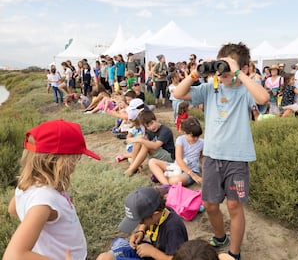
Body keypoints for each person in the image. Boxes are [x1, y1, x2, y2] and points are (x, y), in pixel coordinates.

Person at [174, 42, 269, 260]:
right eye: (221, 67)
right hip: (211, 157)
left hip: (236, 159)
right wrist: (195, 73)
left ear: (243, 68)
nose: (223, 73)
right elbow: (180, 94)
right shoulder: (211, 88)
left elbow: (263, 99)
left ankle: (234, 253)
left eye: (228, 68)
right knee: (209, 203)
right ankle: (220, 236)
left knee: (234, 205)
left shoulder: (246, 90)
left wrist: (237, 71)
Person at [3, 119, 100, 260]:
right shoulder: (44, 200)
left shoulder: (28, 184)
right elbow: (13, 255)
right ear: (59, 162)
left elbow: (12, 209)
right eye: (75, 159)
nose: (76, 164)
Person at [96, 187, 188, 260]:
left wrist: (152, 252)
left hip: (161, 255)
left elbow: (178, 259)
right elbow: (146, 223)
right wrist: (141, 232)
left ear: (155, 214)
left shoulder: (173, 229)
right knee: (104, 257)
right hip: (153, 251)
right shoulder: (160, 212)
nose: (140, 223)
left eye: (141, 221)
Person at [149, 116, 204, 186]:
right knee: (152, 162)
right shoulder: (181, 140)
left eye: (198, 136)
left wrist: (201, 172)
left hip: (191, 170)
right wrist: (192, 175)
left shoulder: (202, 143)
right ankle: (166, 184)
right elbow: (178, 159)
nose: (196, 138)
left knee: (175, 181)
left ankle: (161, 178)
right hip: (177, 166)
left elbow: (202, 158)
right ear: (184, 132)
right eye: (193, 136)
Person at [124, 110, 175, 176]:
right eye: (148, 126)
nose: (151, 127)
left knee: (143, 143)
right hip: (156, 155)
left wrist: (140, 140)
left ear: (156, 119)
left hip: (169, 157)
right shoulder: (149, 130)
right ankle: (133, 165)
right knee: (140, 139)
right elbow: (143, 142)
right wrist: (139, 140)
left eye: (152, 123)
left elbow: (155, 146)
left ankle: (132, 169)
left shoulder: (165, 130)